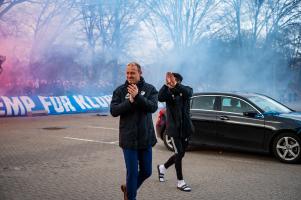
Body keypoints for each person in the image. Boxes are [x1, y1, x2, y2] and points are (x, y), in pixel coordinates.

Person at [110, 62, 158, 200]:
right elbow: (114, 111)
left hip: (145, 137)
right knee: (132, 173)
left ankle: (129, 189)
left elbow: (153, 107)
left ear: (140, 73)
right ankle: (131, 197)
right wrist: (129, 102)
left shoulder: (150, 89)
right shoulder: (120, 91)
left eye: (133, 73)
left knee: (147, 171)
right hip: (128, 139)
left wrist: (138, 97)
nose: (129, 75)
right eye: (127, 73)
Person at [157, 72, 194, 192]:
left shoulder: (186, 90)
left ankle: (163, 167)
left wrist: (175, 84)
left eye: (174, 80)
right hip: (174, 130)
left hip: (186, 129)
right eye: (170, 80)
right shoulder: (168, 94)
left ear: (179, 81)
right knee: (179, 154)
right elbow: (160, 97)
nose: (172, 82)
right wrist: (166, 84)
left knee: (181, 153)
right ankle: (180, 182)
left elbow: (188, 93)